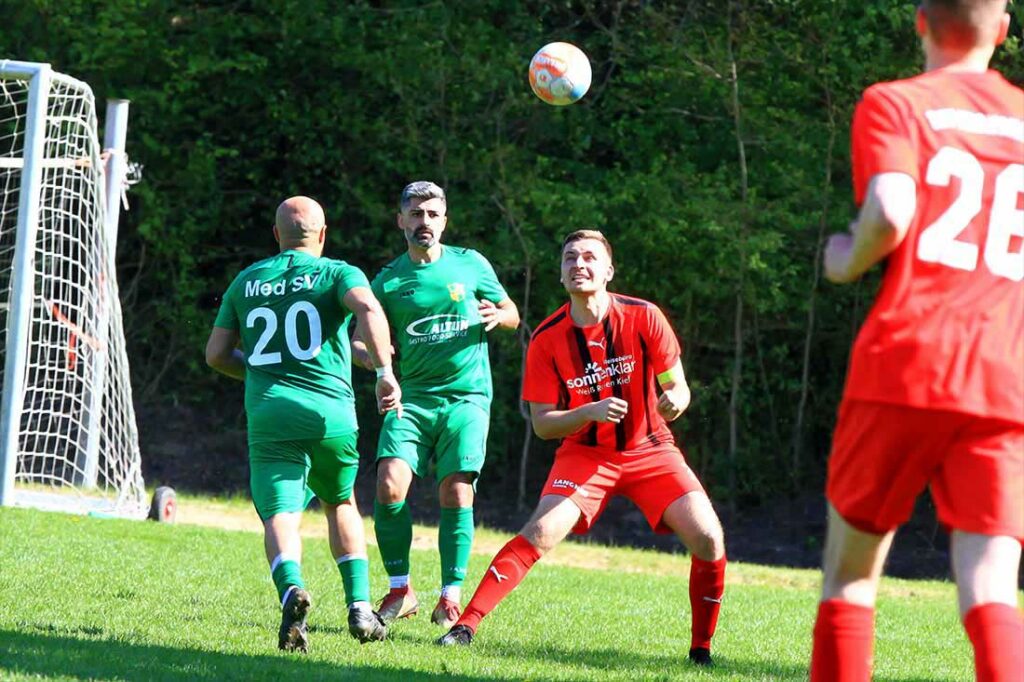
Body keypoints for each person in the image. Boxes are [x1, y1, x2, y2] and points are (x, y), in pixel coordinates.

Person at [810, 2, 1023, 680]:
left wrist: (844, 257)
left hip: (906, 363)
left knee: (851, 576)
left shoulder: (897, 103)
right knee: (991, 583)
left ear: (921, 21)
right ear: (1003, 30)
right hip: (1002, 374)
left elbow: (893, 211)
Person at [437, 229, 727, 667]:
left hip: (651, 448)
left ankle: (701, 652)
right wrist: (588, 412)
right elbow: (542, 425)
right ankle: (466, 626)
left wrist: (676, 401)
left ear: (608, 270)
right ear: (560, 273)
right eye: (570, 258)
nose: (579, 265)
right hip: (585, 454)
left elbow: (678, 386)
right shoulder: (548, 338)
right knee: (540, 533)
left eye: (590, 258)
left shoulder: (644, 316)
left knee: (708, 536)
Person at [206, 196, 401, 652]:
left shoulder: (247, 279)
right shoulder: (338, 272)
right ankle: (359, 606)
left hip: (271, 413)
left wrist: (258, 372)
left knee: (280, 515)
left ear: (277, 235)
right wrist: (384, 373)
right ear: (323, 232)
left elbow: (215, 355)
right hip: (329, 413)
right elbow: (368, 310)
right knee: (341, 502)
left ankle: (292, 590)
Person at [353, 181, 520, 629]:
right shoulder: (387, 281)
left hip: (467, 398)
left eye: (432, 214)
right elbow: (357, 342)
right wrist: (380, 365)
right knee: (388, 485)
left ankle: (450, 597)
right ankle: (400, 589)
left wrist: (497, 316)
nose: (423, 222)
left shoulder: (471, 265)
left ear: (444, 221)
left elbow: (512, 312)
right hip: (414, 400)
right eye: (415, 213)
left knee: (456, 489)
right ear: (400, 220)